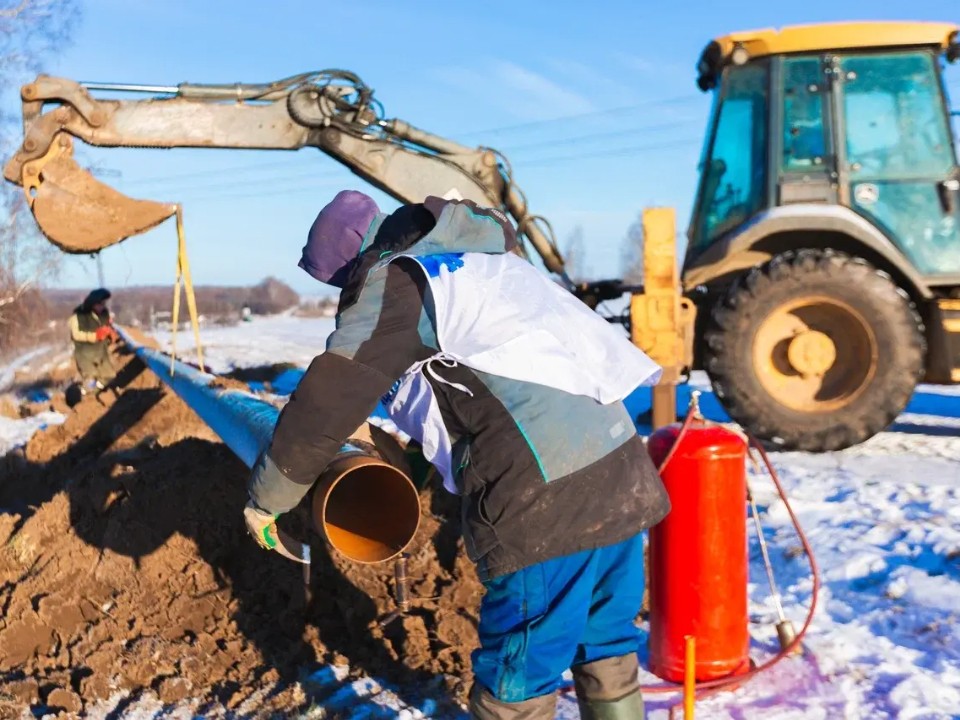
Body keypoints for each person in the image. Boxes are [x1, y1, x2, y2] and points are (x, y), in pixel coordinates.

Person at [244, 190, 670, 719]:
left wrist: (269, 497)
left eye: (338, 282)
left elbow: (327, 400)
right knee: (606, 642)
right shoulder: (472, 259)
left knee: (517, 673)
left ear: (350, 262)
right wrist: (416, 465)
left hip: (546, 500)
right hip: (618, 470)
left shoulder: (397, 281)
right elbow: (482, 383)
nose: (343, 295)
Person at [69, 287, 118, 391]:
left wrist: (111, 335)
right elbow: (75, 335)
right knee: (90, 379)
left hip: (101, 353)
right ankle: (83, 394)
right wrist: (94, 336)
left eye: (103, 304)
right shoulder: (78, 315)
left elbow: (108, 328)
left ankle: (98, 391)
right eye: (99, 304)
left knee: (110, 376)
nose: (102, 307)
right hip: (84, 353)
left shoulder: (104, 313)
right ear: (92, 303)